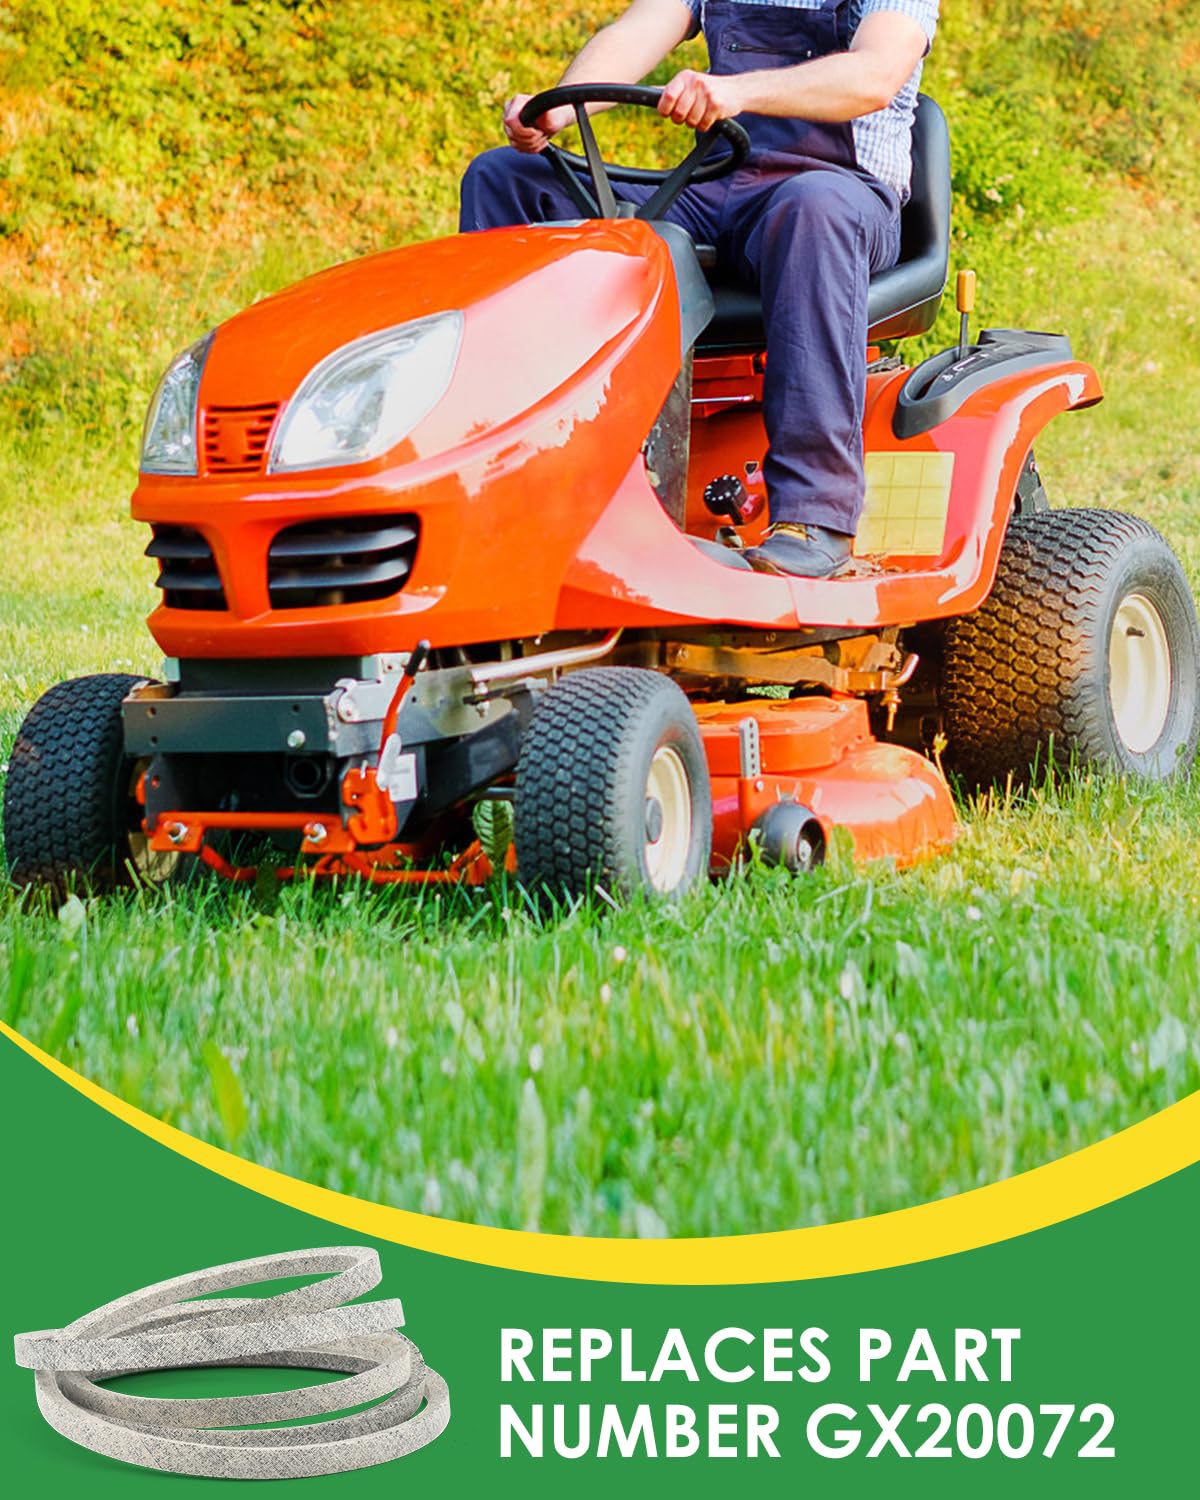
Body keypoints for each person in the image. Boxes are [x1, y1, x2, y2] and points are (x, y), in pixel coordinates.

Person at [460, 0, 939, 578]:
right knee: (506, 178)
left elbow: (873, 76)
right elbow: (637, 30)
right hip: (719, 185)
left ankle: (815, 516)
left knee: (810, 208)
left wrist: (738, 91)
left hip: (841, 192)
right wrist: (559, 106)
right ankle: (502, 475)